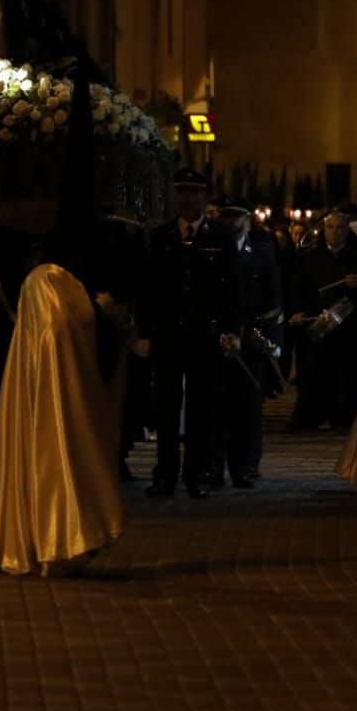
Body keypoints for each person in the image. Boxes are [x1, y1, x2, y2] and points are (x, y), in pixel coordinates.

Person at [0, 68, 124, 574]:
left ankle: (46, 531)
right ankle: (43, 533)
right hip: (57, 323)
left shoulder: (50, 280)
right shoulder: (49, 282)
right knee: (46, 431)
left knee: (54, 429)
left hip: (61, 321)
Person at [136, 169, 243, 499]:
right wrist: (144, 331)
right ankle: (164, 474)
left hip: (204, 334)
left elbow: (232, 288)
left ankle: (196, 474)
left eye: (194, 193)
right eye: (182, 192)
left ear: (204, 197)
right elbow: (148, 288)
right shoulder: (161, 236)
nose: (188, 199)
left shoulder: (220, 236)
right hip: (169, 334)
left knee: (201, 409)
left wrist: (231, 330)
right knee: (166, 409)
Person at [290, 209, 357, 432]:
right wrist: (299, 310)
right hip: (320, 323)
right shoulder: (312, 255)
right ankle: (311, 417)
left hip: (351, 325)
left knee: (349, 375)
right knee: (316, 373)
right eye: (330, 228)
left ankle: (346, 418)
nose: (334, 232)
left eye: (340, 228)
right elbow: (300, 287)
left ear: (347, 230)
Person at [215, 196, 283, 488]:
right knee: (216, 407)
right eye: (227, 217)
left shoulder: (263, 253)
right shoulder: (213, 250)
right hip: (221, 339)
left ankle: (246, 465)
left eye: (237, 217)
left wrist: (272, 339)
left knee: (249, 409)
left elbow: (274, 299)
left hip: (252, 339)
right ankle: (213, 468)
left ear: (248, 220)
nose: (232, 223)